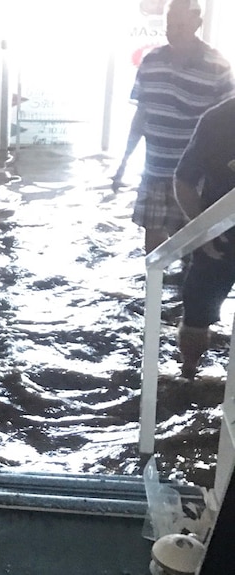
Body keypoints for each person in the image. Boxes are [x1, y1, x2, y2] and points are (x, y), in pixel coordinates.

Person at [113, 0, 233, 254]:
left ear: (197, 24)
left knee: (196, 245)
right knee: (154, 248)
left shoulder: (218, 66)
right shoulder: (151, 61)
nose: (173, 31)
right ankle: (153, 292)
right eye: (169, 25)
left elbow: (227, 126)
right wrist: (123, 162)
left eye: (180, 25)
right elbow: (141, 116)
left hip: (194, 177)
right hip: (155, 170)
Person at [173, 96, 235, 379]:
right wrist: (201, 230)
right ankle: (188, 373)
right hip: (218, 239)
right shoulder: (217, 119)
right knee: (196, 314)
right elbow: (184, 179)